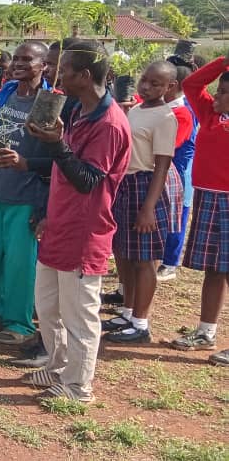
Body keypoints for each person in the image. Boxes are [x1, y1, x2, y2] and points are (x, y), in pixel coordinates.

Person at [24, 39, 130, 402]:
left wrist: (57, 145)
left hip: (84, 233)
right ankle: (57, 368)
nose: (56, 74)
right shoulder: (78, 112)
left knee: (79, 315)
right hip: (59, 225)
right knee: (48, 307)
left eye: (64, 69)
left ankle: (77, 387)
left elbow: (87, 180)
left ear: (84, 76)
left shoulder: (110, 125)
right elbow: (61, 170)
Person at [0, 41, 55, 345]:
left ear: (43, 64)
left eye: (26, 59)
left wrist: (44, 204)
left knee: (20, 262)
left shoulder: (48, 101)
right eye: (15, 58)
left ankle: (20, 323)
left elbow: (52, 153)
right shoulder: (4, 94)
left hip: (27, 194)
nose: (18, 64)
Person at [104, 61, 182, 343]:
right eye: (144, 80)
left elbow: (161, 166)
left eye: (156, 84)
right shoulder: (137, 109)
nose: (147, 87)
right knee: (124, 252)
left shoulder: (165, 117)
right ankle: (127, 311)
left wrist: (149, 208)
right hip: (127, 184)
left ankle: (140, 323)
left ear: (170, 87)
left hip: (148, 185)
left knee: (145, 259)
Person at [170, 55, 229, 365]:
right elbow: (192, 83)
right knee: (214, 269)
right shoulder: (209, 115)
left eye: (222, 92)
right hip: (209, 198)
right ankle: (206, 330)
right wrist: (223, 62)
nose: (215, 96)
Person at [158, 62, 200, 282]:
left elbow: (172, 144)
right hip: (164, 170)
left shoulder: (185, 112)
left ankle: (170, 263)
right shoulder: (166, 107)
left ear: (173, 86)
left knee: (178, 217)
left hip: (179, 172)